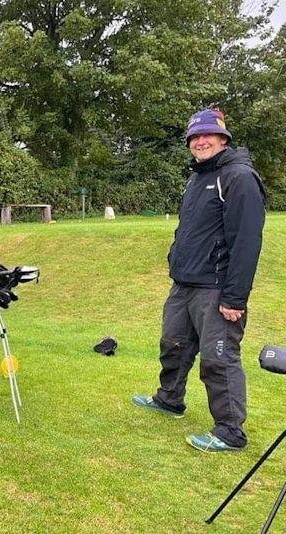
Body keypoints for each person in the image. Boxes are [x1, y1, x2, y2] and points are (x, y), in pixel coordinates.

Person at [132, 109, 266, 452]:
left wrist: (234, 298)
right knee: (173, 344)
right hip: (185, 283)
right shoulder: (197, 177)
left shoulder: (238, 178)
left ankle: (230, 431)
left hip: (217, 288)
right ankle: (169, 399)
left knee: (218, 359)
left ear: (223, 138)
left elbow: (246, 242)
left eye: (207, 135)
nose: (200, 142)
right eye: (194, 137)